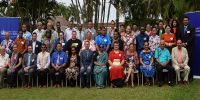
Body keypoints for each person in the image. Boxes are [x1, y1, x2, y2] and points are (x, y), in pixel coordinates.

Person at [179, 16, 195, 81]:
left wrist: (186, 43)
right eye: (184, 20)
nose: (185, 21)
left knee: (189, 62)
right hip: (181, 47)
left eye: (186, 20)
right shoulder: (180, 28)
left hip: (189, 48)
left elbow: (192, 37)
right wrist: (181, 43)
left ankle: (190, 77)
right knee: (182, 61)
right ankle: (182, 76)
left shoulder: (192, 28)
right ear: (183, 21)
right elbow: (179, 36)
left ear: (188, 21)